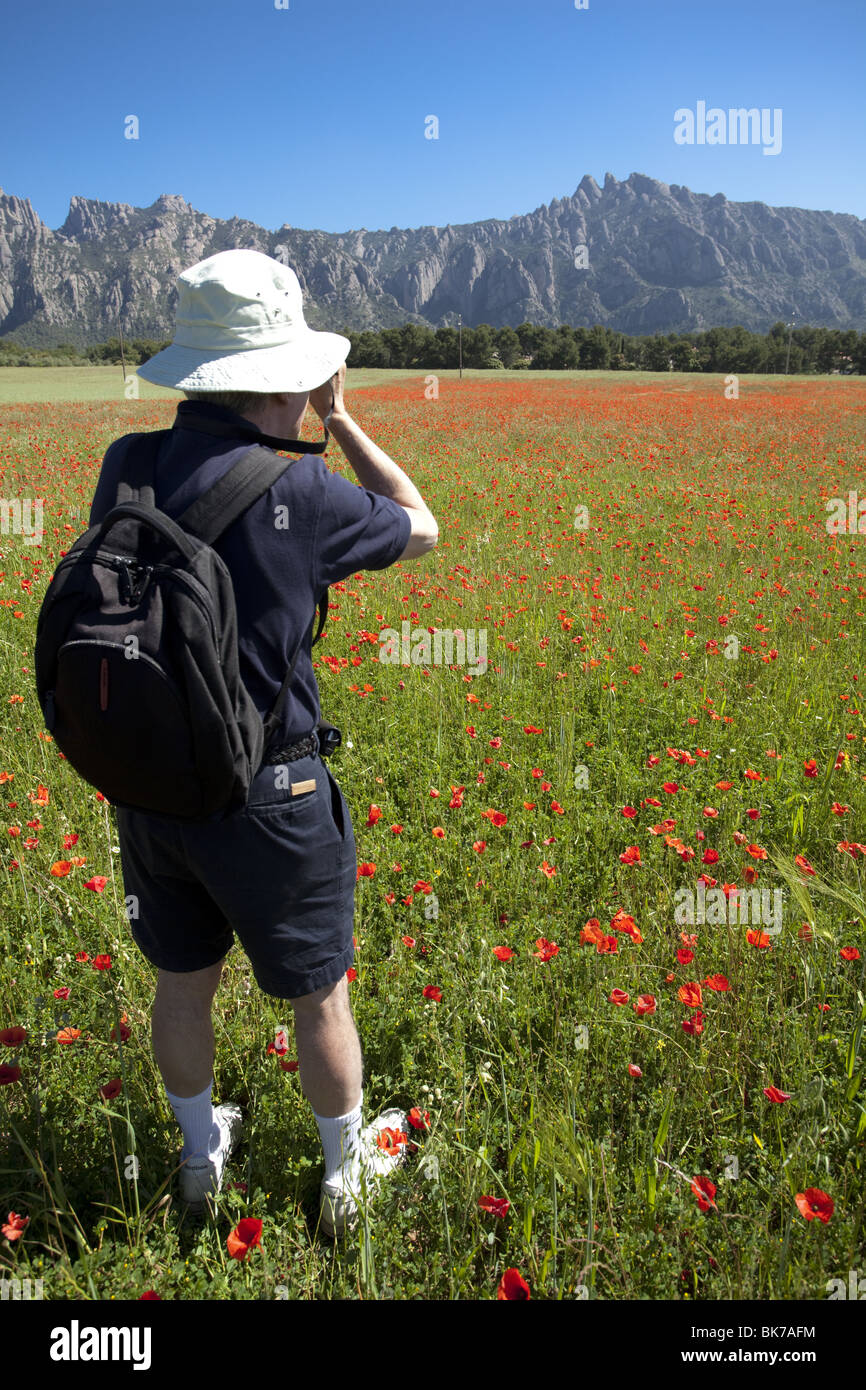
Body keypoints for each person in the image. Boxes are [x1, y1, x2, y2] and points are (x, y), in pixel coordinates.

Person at [88, 248, 439, 1236]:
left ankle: (200, 1164)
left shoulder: (127, 461)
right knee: (318, 996)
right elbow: (423, 524)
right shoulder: (306, 492)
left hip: (151, 786)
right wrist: (343, 417)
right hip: (270, 794)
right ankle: (341, 1179)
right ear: (283, 377)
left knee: (180, 983)